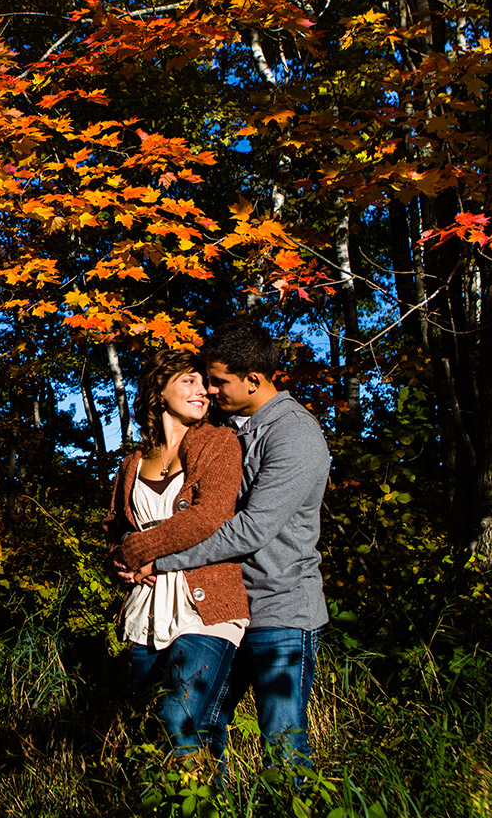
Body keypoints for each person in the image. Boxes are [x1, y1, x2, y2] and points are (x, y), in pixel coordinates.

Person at [128, 318, 331, 776]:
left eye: (219, 381)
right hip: (228, 605)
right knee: (201, 727)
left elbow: (250, 530)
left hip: (282, 609)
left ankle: (291, 807)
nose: (212, 391)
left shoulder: (294, 435)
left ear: (253, 380)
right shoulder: (233, 430)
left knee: (282, 741)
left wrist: (160, 561)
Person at [104, 348, 247, 758]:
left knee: (176, 716)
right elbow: (117, 532)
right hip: (146, 608)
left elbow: (210, 516)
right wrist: (119, 561)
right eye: (189, 381)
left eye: (204, 383)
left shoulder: (218, 443)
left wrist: (141, 550)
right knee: (158, 729)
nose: (203, 391)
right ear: (159, 390)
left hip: (206, 603)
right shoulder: (133, 461)